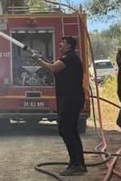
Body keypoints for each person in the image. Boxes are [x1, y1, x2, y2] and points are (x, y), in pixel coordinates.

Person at [34, 37, 86, 176]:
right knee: (72, 131)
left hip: (70, 100)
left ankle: (75, 164)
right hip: (72, 99)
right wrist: (40, 59)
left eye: (62, 42)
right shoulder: (69, 58)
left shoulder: (69, 58)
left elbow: (52, 68)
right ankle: (80, 163)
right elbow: (54, 65)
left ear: (69, 46)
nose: (60, 44)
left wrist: (38, 60)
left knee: (65, 130)